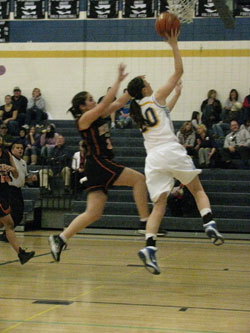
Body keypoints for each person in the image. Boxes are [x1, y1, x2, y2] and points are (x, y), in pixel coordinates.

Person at [126, 30, 224, 275]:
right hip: (171, 150)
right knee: (197, 189)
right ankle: (209, 222)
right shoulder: (156, 96)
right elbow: (178, 71)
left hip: (153, 160)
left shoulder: (138, 110)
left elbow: (163, 115)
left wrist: (177, 95)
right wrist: (174, 44)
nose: (150, 82)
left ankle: (149, 246)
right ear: (143, 88)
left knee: (159, 205)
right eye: (146, 81)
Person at [49, 64, 151, 262]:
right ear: (82, 107)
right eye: (89, 99)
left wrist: (133, 87)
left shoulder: (98, 115)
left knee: (93, 213)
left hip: (97, 166)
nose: (93, 100)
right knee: (139, 180)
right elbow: (105, 104)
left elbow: (119, 102)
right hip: (98, 162)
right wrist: (119, 80)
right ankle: (145, 222)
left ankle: (60, 238)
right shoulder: (84, 119)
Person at [0, 136, 35, 264]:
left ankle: (21, 254)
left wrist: (9, 168)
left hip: (4, 192)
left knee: (7, 224)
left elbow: (15, 173)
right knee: (9, 224)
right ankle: (21, 254)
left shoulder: (6, 154)